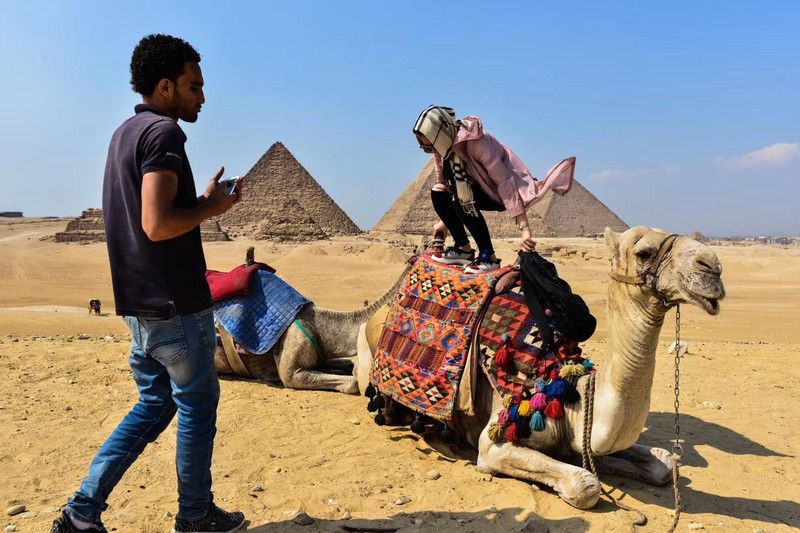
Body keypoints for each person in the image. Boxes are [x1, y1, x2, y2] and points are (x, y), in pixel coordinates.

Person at [51, 34, 246, 533]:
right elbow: (157, 224)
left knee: (155, 403)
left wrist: (199, 202)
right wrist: (213, 208)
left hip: (141, 305)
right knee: (197, 407)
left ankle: (81, 510)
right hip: (176, 302)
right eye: (193, 86)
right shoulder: (164, 134)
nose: (202, 96)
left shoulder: (126, 132)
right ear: (165, 86)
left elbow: (151, 216)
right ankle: (195, 516)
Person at [413, 105, 575, 273]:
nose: (431, 151)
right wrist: (445, 222)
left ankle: (488, 257)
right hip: (470, 190)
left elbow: (505, 182)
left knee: (463, 198)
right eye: (425, 148)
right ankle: (464, 250)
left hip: (496, 192)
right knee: (438, 190)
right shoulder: (442, 147)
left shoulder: (478, 142)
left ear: (441, 134)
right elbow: (446, 185)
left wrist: (525, 228)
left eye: (430, 146)